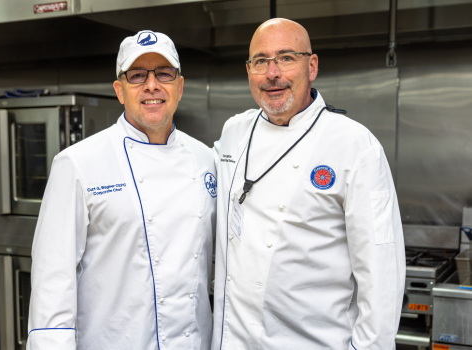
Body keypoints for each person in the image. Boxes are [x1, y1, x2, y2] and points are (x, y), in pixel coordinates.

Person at [211, 19, 405, 350]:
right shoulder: (234, 132)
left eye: (286, 58)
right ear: (249, 71)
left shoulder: (355, 145)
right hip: (232, 341)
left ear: (311, 66)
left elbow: (382, 274)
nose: (272, 73)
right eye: (260, 61)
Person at [28, 30, 216, 350]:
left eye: (164, 74)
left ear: (180, 87)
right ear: (119, 90)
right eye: (137, 75)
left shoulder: (205, 159)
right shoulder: (77, 163)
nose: (152, 85)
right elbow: (52, 282)